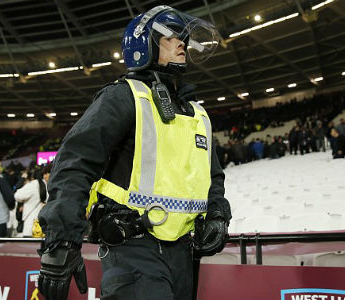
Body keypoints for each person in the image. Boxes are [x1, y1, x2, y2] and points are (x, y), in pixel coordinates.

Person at [37, 6, 231, 300]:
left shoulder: (198, 114)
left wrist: (217, 213)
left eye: (183, 38)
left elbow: (212, 175)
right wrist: (61, 240)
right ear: (144, 45)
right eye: (170, 36)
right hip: (133, 251)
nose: (182, 43)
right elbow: (75, 162)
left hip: (183, 253)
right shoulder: (123, 96)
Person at [14, 169, 47, 237]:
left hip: (31, 225)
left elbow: (17, 195)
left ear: (32, 177)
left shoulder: (32, 185)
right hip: (44, 225)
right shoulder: (47, 184)